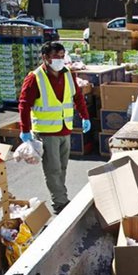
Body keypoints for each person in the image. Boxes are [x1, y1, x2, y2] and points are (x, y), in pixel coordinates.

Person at [18, 41, 90, 214]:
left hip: (65, 128)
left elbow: (77, 97)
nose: (60, 60)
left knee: (62, 167)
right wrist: (25, 129)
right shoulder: (35, 77)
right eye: (55, 57)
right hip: (47, 132)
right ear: (45, 58)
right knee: (53, 169)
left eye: (62, 56)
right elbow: (24, 104)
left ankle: (60, 196)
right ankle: (60, 202)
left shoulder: (68, 75)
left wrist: (85, 116)